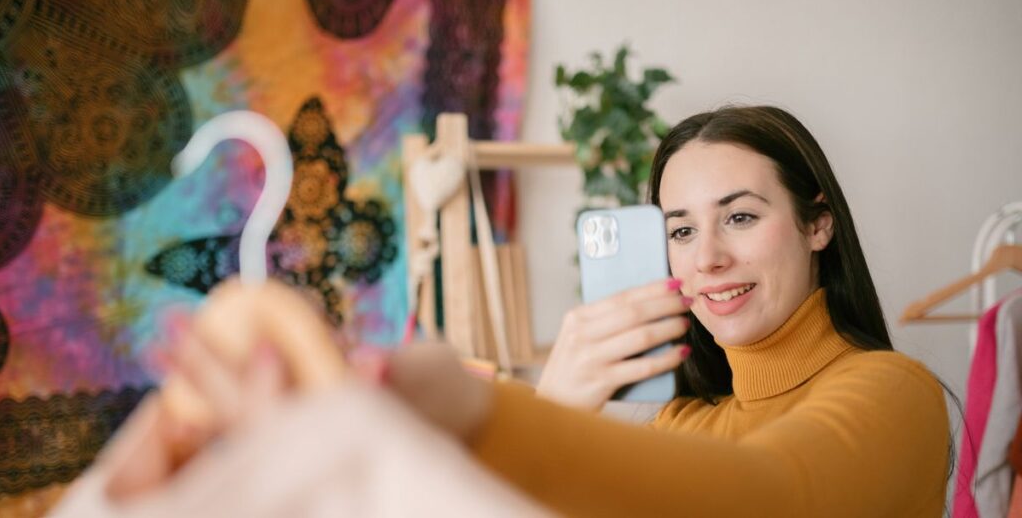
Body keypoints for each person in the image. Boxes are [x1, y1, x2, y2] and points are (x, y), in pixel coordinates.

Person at [54, 105, 950, 517]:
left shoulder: (896, 395)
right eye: (680, 229)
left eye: (741, 218)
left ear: (819, 222)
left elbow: (773, 498)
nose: (706, 258)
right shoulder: (675, 422)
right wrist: (548, 399)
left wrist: (489, 410)